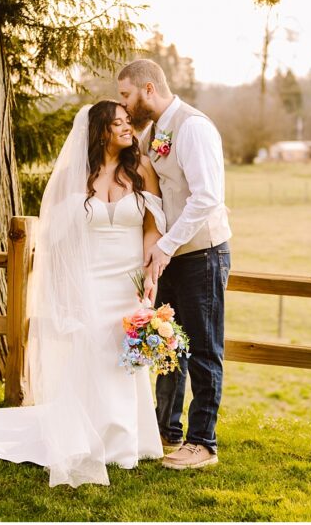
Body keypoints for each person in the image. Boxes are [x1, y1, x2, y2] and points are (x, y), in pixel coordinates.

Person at [0, 101, 167, 486]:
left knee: (124, 356)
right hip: (90, 280)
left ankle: (127, 442)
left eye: (127, 122)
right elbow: (58, 240)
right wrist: (68, 292)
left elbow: (153, 224)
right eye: (118, 123)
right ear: (99, 131)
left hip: (129, 280)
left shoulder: (140, 169)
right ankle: (91, 438)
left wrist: (150, 268)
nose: (127, 128)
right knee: (94, 354)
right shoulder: (78, 175)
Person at [117, 59, 231, 471]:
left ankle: (203, 442)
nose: (124, 104)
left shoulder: (194, 127)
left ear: (148, 89)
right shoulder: (152, 132)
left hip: (203, 253)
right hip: (172, 255)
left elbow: (206, 198)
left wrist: (165, 246)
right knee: (169, 344)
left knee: (203, 348)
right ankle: (168, 431)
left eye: (127, 95)